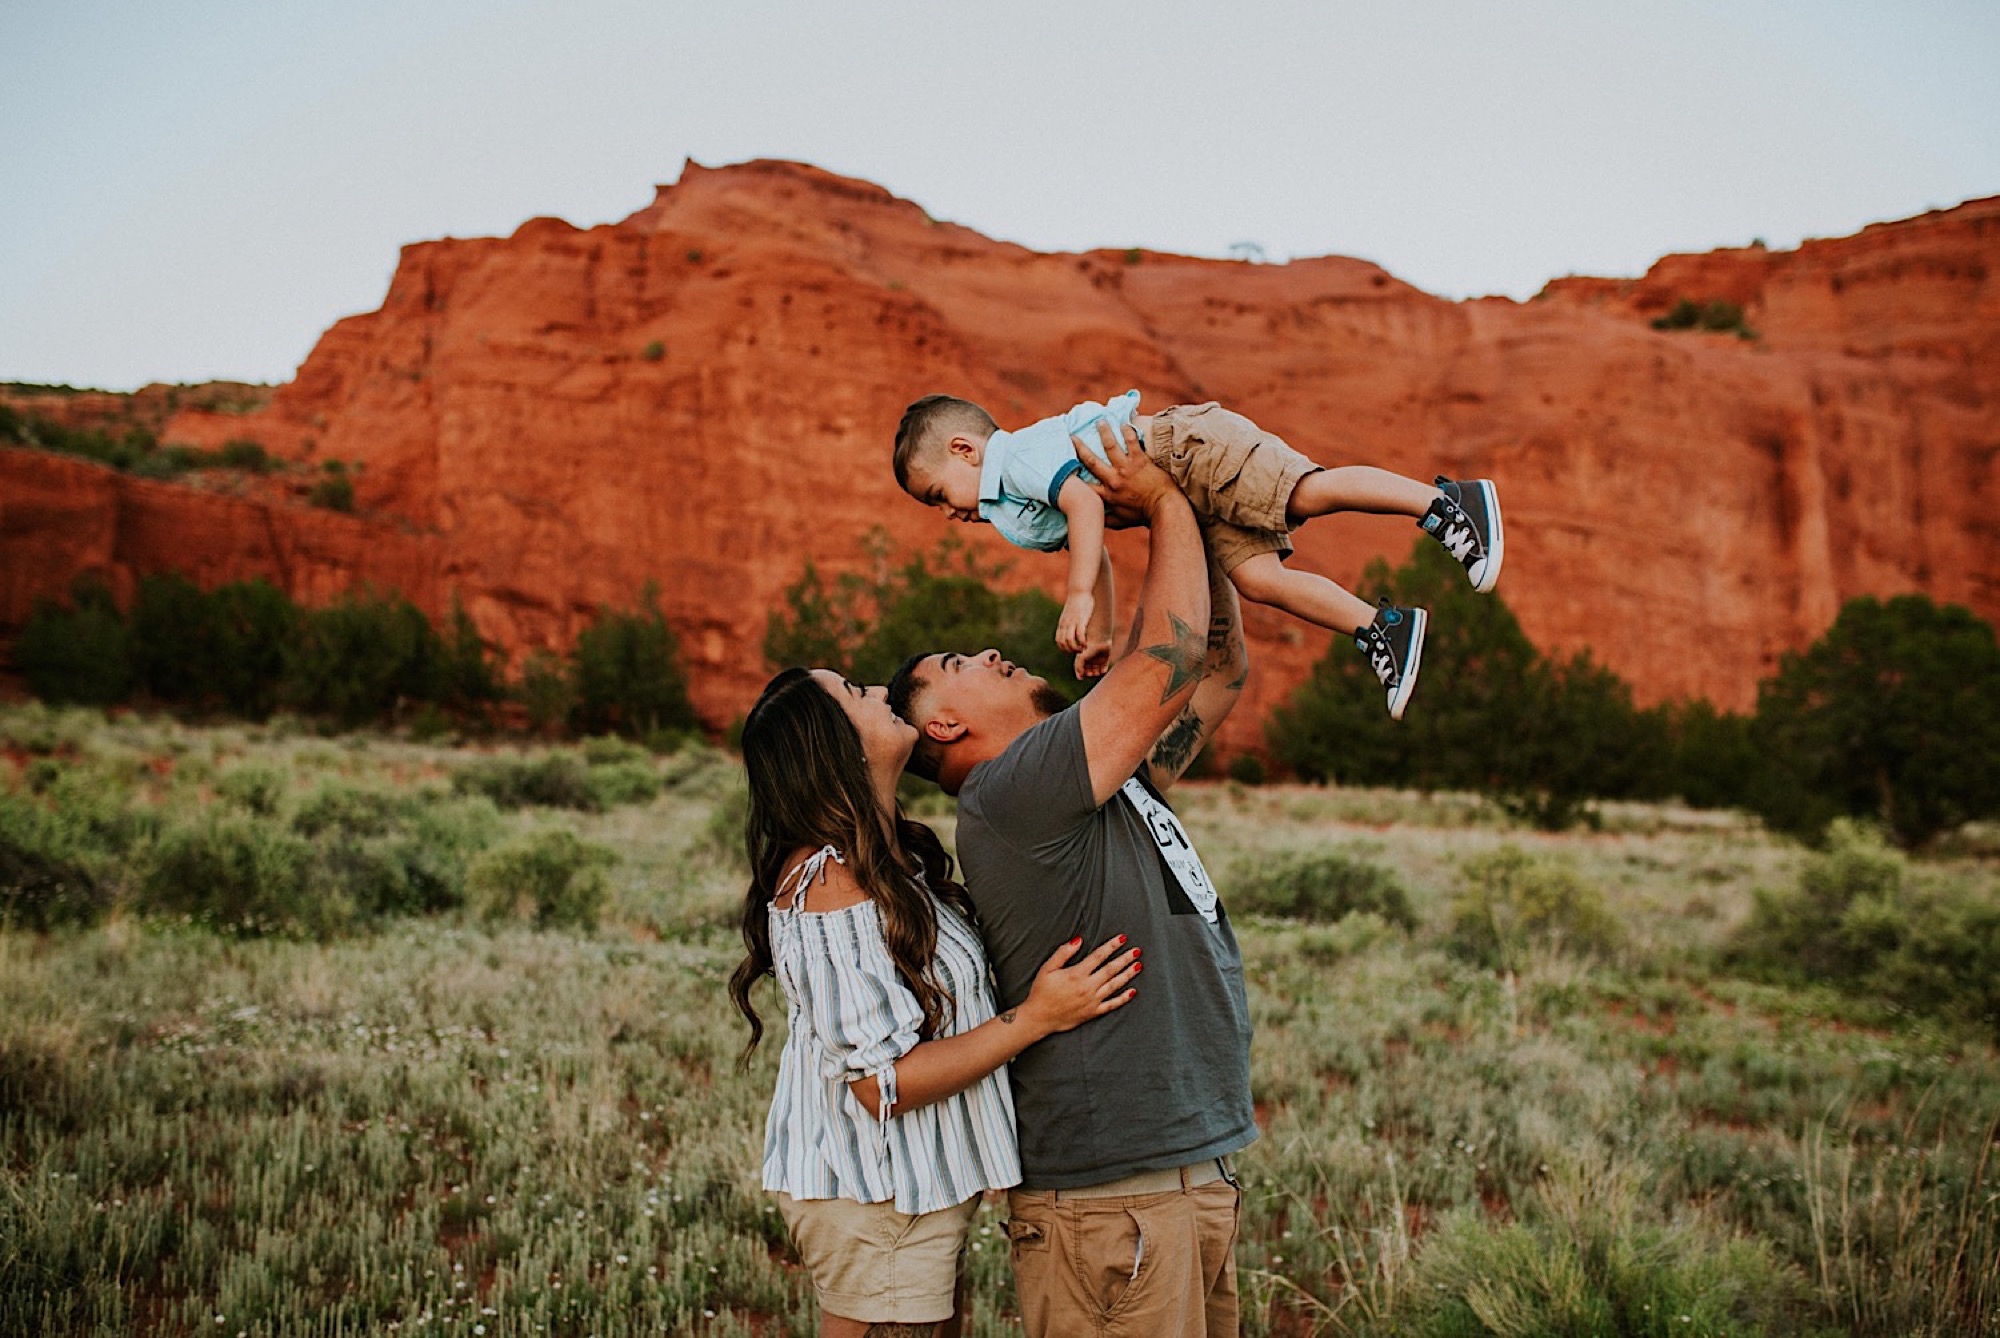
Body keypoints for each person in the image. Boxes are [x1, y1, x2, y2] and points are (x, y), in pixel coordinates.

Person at [886, 418, 1256, 1337]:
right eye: (959, 668)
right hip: (1111, 1202)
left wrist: (1188, 521)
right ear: (942, 731)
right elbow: (1164, 659)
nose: (989, 653)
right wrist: (1163, 500)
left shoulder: (1089, 777)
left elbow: (1213, 668)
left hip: (1187, 1169)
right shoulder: (1013, 790)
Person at [727, 664, 1142, 1338]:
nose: (878, 693)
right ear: (829, 745)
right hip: (874, 1200)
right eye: (854, 695)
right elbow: (881, 1082)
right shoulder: (829, 882)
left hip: (910, 1194)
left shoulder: (892, 861)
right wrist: (1034, 1018)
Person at [892, 389, 1503, 719]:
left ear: (965, 449)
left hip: (1186, 449)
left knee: (1305, 494)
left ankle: (1446, 503)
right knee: (1260, 581)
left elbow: (1084, 506)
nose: (948, 512)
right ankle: (1383, 628)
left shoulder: (1016, 458)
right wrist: (1101, 629)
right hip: (1186, 494)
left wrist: (1078, 596)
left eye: (939, 494)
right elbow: (1093, 542)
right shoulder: (1013, 505)